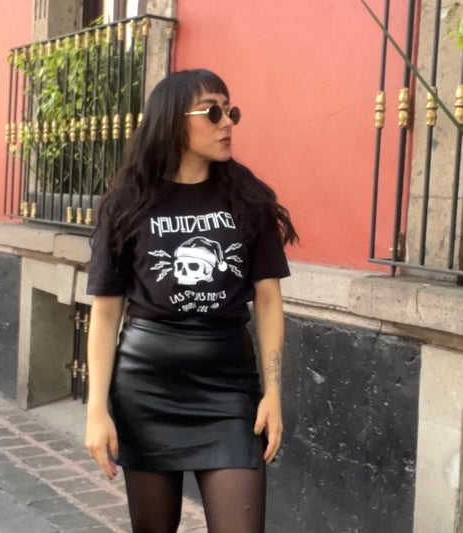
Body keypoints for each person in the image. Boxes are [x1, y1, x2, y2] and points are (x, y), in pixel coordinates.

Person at [85, 68, 298, 533]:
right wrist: (96, 409)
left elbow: (267, 302)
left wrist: (273, 392)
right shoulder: (127, 203)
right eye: (212, 112)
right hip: (146, 390)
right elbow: (105, 312)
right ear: (172, 121)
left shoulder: (249, 200)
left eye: (230, 111)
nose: (228, 122)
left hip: (228, 390)